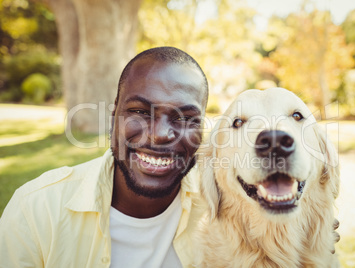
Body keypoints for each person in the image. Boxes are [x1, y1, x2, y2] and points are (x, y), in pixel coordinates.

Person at [0, 47, 209, 267]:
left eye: (186, 118)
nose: (159, 135)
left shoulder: (226, 212)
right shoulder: (37, 210)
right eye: (140, 112)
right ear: (113, 117)